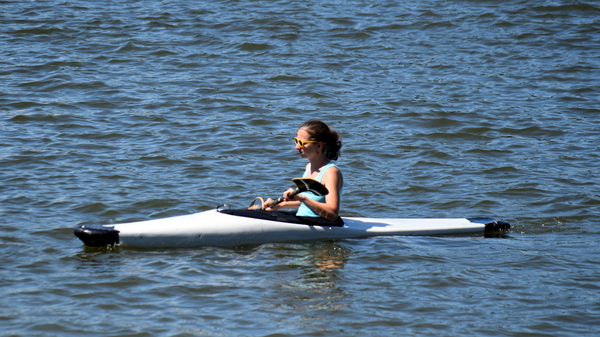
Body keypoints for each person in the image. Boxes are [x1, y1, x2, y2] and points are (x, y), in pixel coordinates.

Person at [265, 119, 343, 222]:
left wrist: (301, 197)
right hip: (303, 218)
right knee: (253, 212)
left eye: (301, 143)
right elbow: (312, 201)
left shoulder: (330, 172)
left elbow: (332, 213)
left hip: (320, 223)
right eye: (296, 141)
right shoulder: (309, 167)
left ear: (319, 146)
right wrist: (280, 205)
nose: (296, 147)